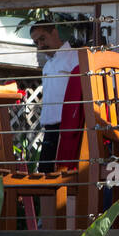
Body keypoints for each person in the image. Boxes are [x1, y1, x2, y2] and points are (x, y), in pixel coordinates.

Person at [29, 18, 79, 174]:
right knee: (46, 174)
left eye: (42, 39)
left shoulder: (75, 57)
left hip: (68, 127)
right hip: (50, 128)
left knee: (64, 176)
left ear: (55, 32)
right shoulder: (48, 64)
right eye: (36, 43)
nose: (40, 45)